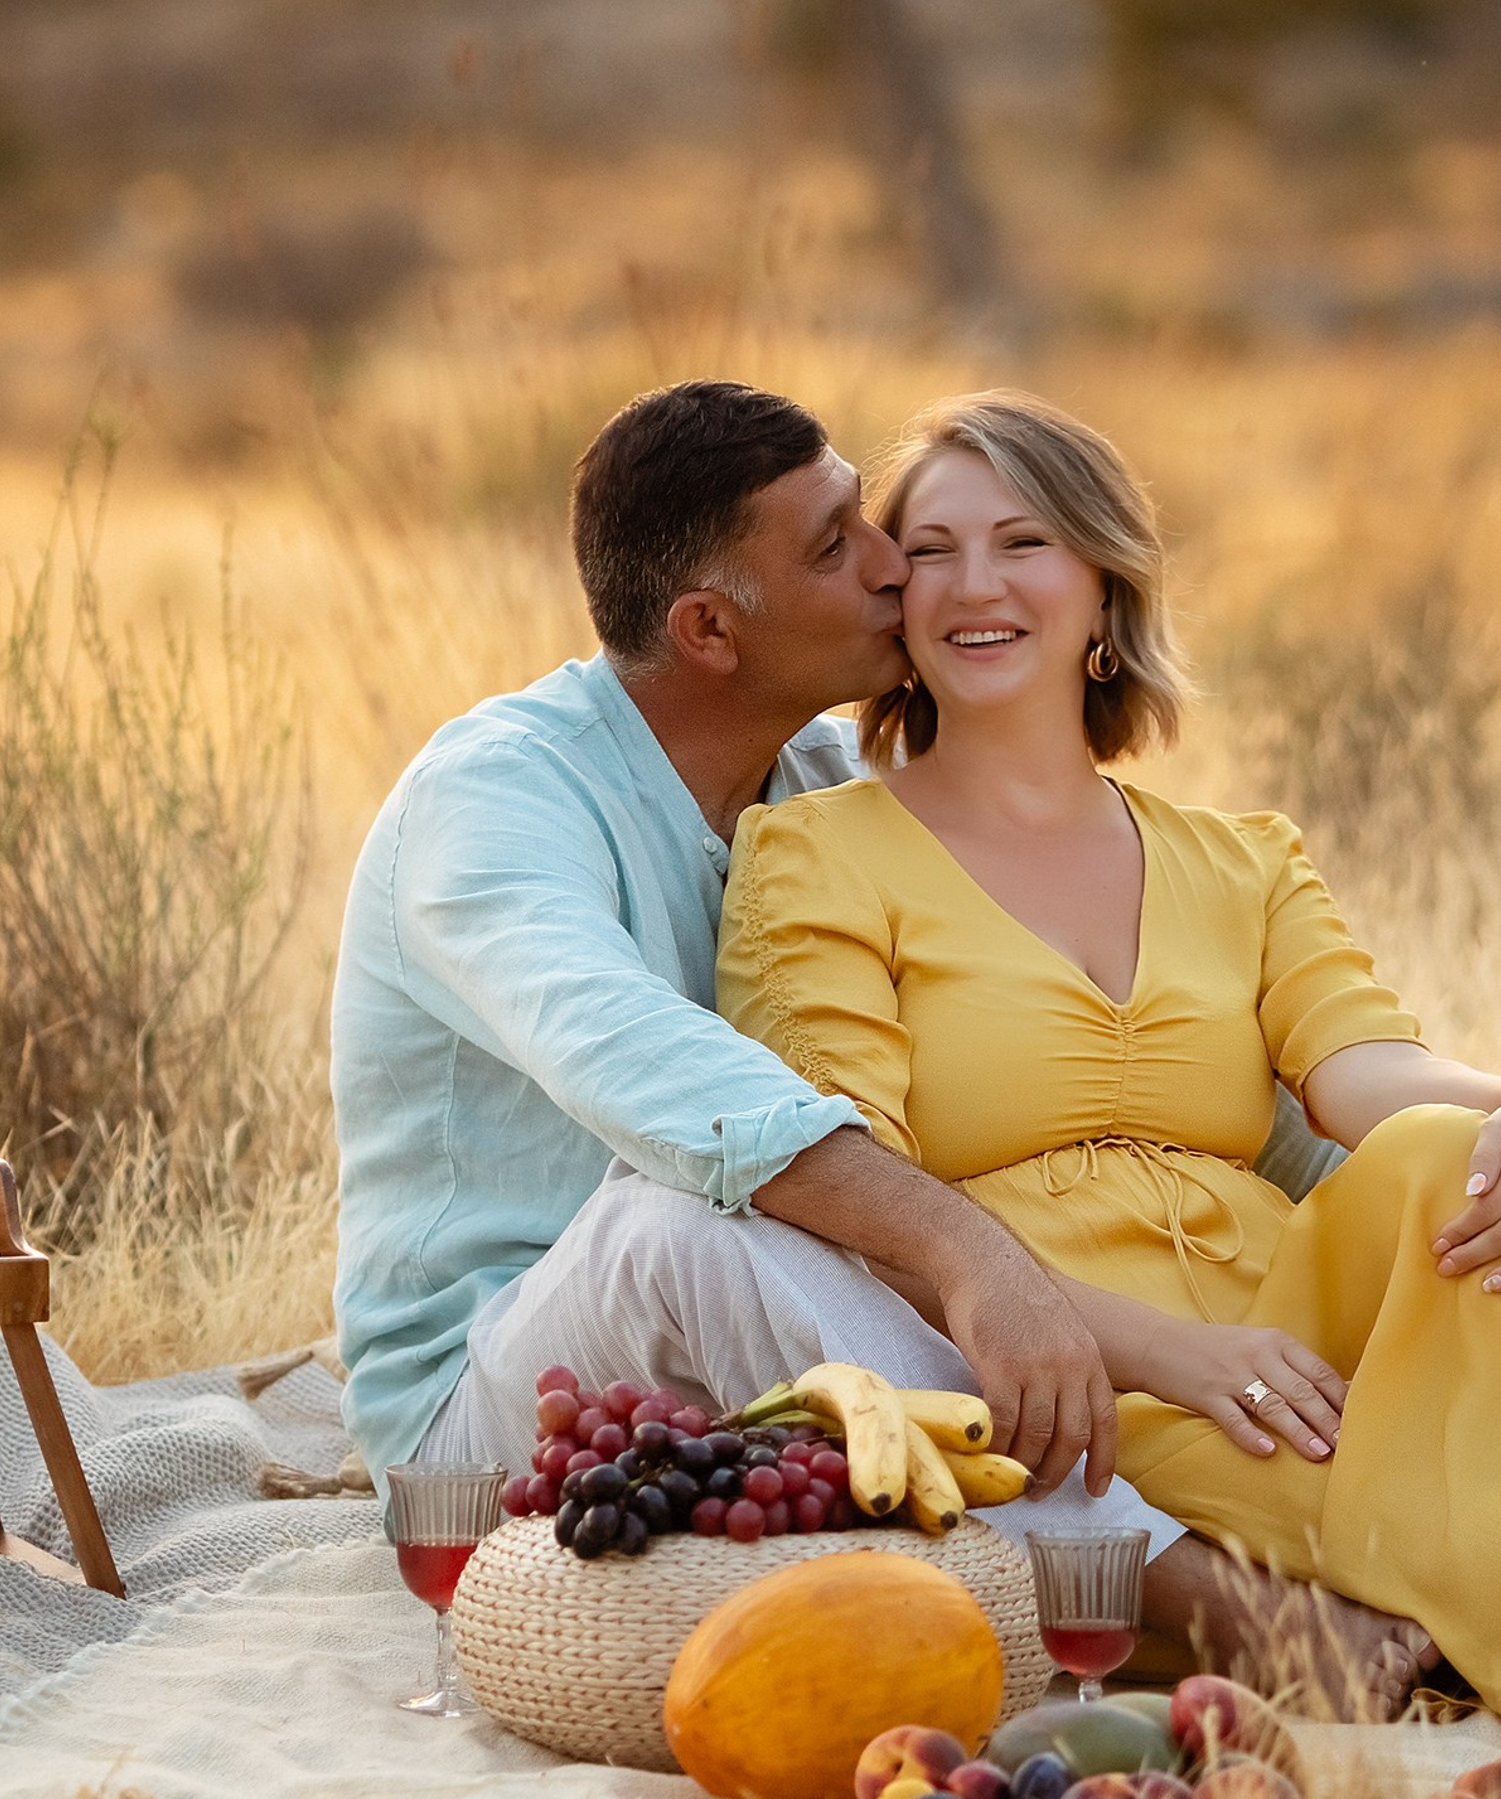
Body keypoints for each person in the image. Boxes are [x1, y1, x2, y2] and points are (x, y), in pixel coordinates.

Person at [713, 389, 1501, 1755]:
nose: (975, 585)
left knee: (1463, 1161)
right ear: (896, 604)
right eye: (933, 551)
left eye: (1022, 543)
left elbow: (1368, 1069)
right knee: (1419, 1492)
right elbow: (868, 1208)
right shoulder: (815, 858)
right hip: (1084, 1370)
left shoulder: (1244, 861)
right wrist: (1178, 1355)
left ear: (1103, 590)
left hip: (1294, 1319)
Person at [332, 378, 1435, 1712]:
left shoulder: (824, 790)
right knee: (683, 1223)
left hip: (775, 1369)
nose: (891, 564)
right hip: (496, 1411)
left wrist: (1413, 1185)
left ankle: (1471, 1538)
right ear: (709, 630)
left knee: (893, 1215)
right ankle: (1191, 1597)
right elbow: (657, 1075)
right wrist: (977, 1260)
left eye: (865, 515)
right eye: (833, 546)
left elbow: (1076, 1059)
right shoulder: (497, 801)